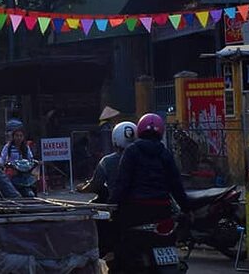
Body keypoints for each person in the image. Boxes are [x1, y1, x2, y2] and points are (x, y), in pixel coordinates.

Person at [109, 113, 193, 267]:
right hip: (162, 210)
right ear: (160, 132)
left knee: (120, 241)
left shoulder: (131, 152)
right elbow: (176, 185)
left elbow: (122, 183)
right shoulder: (165, 154)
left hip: (136, 210)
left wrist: (112, 206)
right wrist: (186, 207)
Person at [80, 121, 137, 203]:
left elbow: (96, 185)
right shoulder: (146, 158)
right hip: (143, 202)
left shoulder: (107, 161)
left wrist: (82, 189)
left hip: (118, 205)